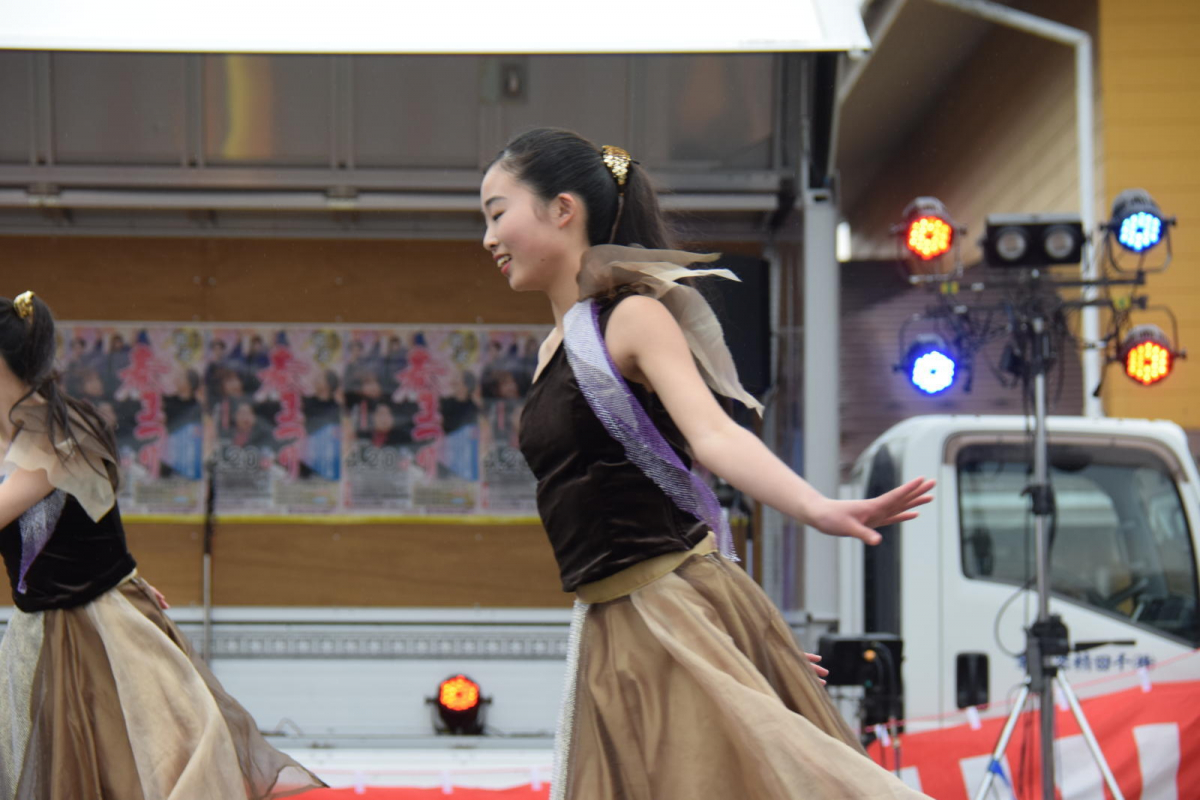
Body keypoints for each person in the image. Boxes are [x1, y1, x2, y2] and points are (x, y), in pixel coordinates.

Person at [480, 128, 936, 799]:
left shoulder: (630, 317)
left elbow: (715, 439)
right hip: (612, 622)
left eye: (496, 213)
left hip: (668, 602)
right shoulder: (557, 348)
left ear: (562, 209)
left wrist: (819, 508)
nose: (488, 239)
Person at [0, 291, 326, 799]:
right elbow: (92, 523)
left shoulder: (55, 435)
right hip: (57, 620)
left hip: (93, 625)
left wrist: (126, 578)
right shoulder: (44, 425)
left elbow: (87, 517)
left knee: (158, 755)